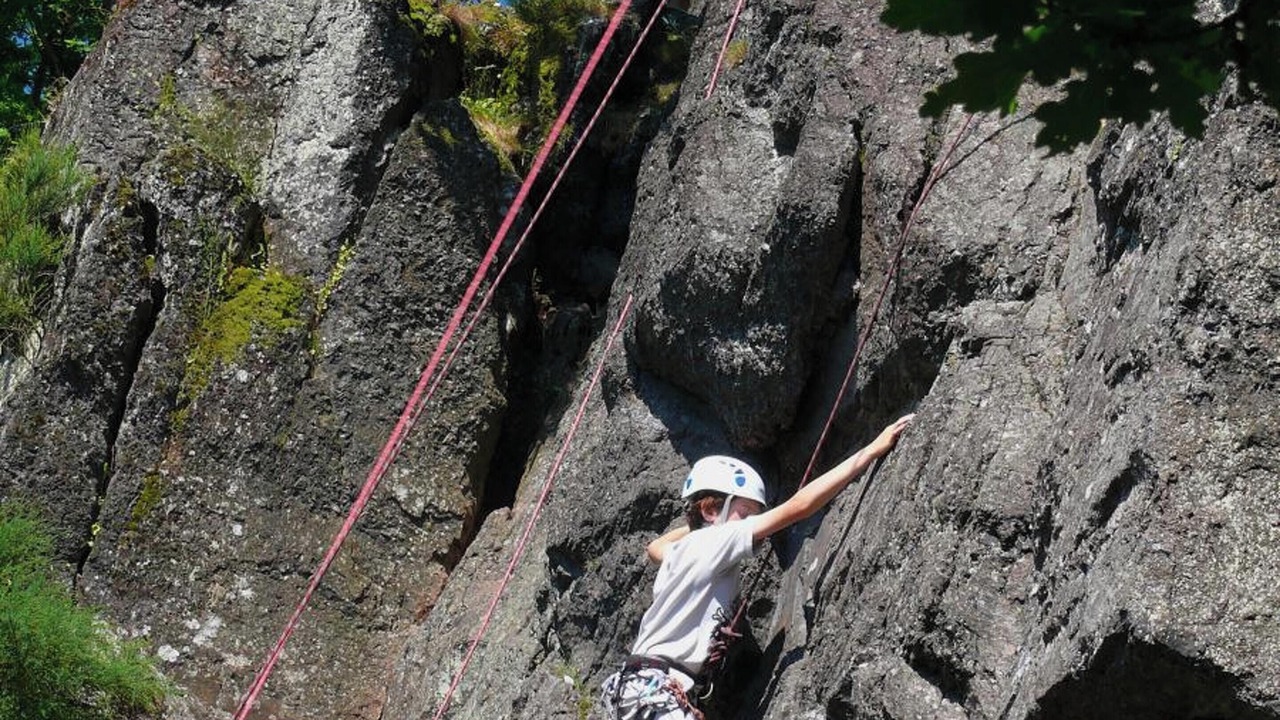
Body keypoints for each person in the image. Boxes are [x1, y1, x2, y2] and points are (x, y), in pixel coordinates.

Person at [599, 415, 914, 720]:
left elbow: (654, 548)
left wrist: (698, 521)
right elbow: (798, 507)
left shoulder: (682, 552)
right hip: (656, 691)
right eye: (745, 511)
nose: (753, 523)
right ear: (711, 510)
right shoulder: (715, 541)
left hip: (640, 690)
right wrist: (871, 450)